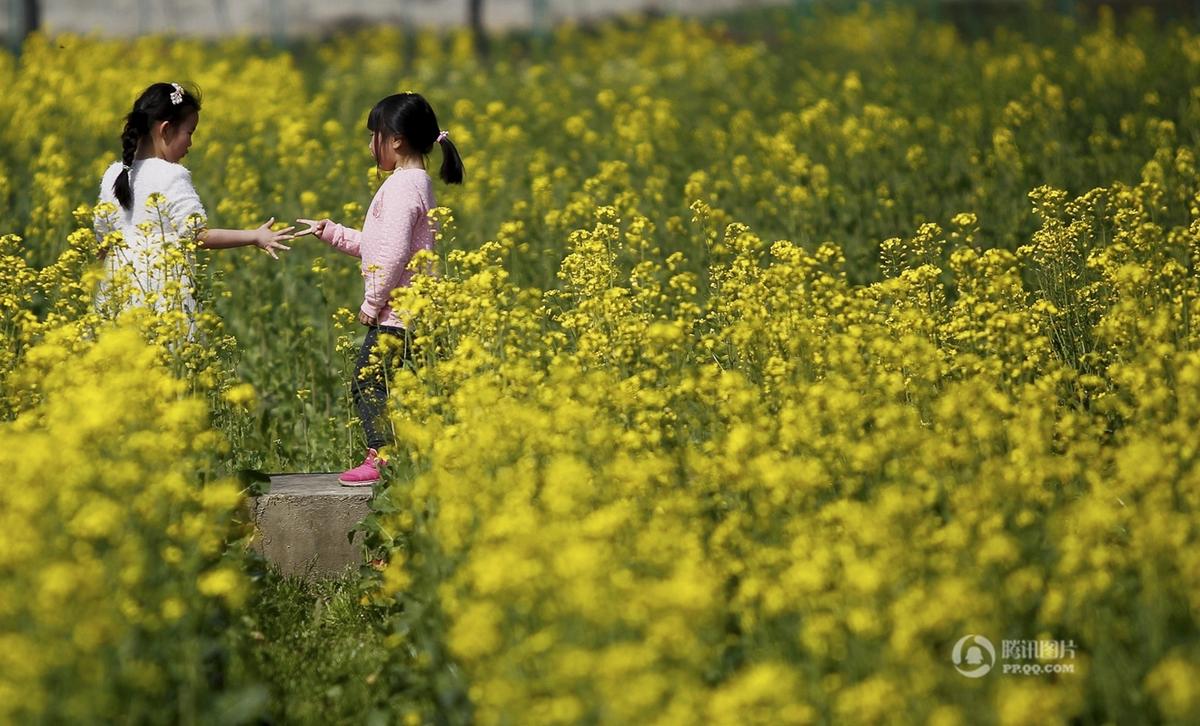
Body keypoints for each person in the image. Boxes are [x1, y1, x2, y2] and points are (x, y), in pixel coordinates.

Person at [296, 92, 464, 487]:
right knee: (428, 386)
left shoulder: (403, 186)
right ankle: (443, 455)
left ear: (396, 140)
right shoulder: (416, 183)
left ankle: (383, 455)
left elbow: (392, 254)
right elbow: (379, 245)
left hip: (398, 311)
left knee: (367, 382)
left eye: (374, 136)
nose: (369, 145)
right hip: (418, 306)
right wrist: (332, 233)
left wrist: (372, 303)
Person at [94, 82, 294, 333]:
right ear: (166, 130)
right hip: (161, 292)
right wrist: (255, 236)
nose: (190, 143)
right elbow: (197, 235)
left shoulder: (113, 174)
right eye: (189, 132)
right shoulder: (171, 175)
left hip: (116, 289)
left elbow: (102, 240)